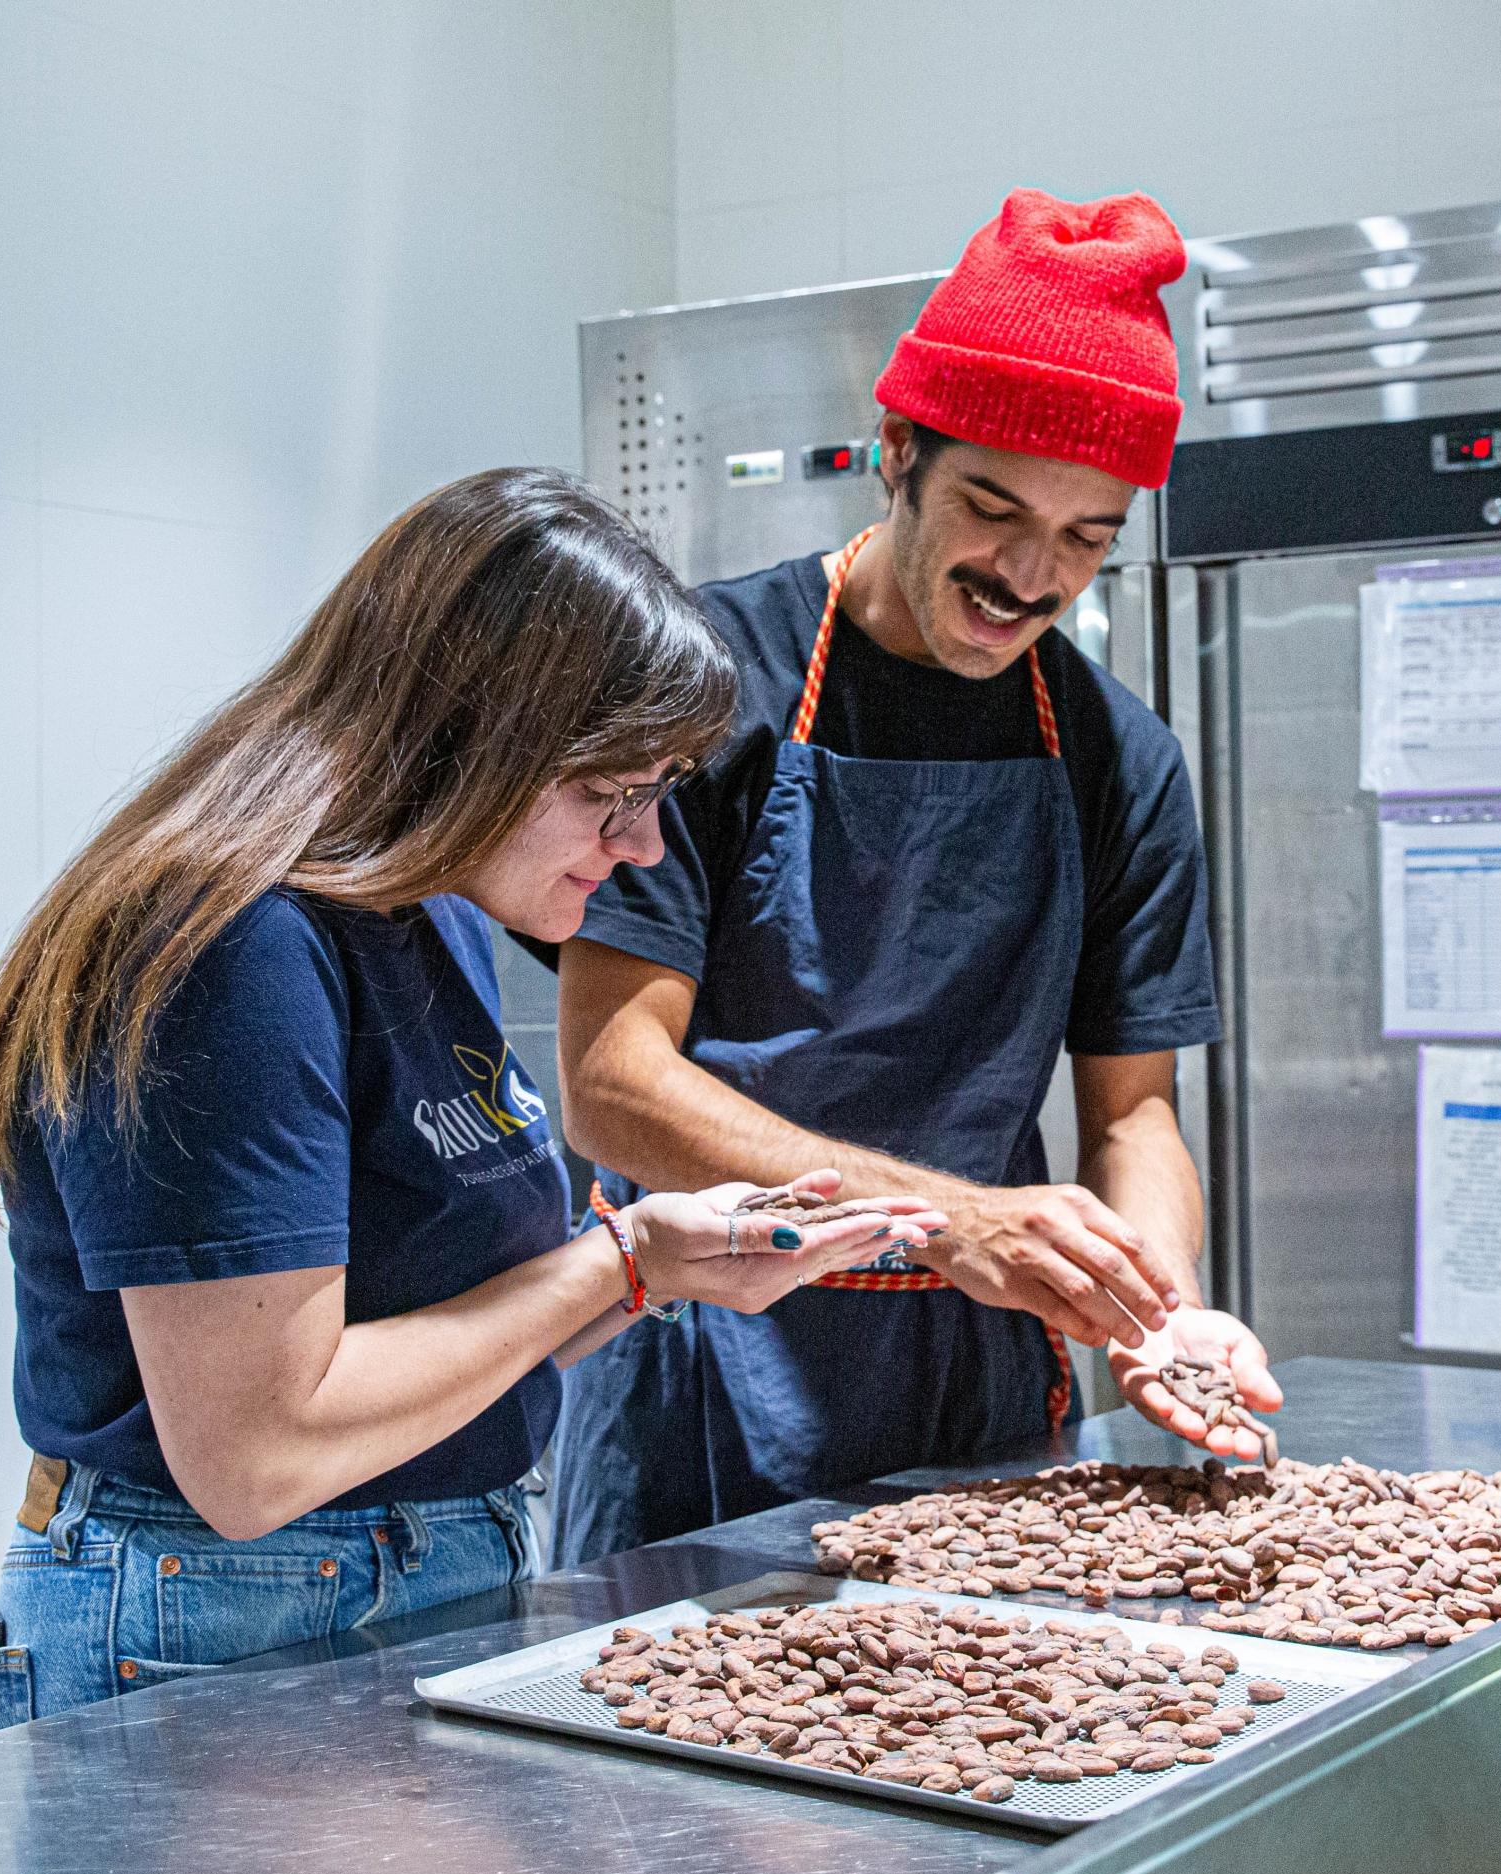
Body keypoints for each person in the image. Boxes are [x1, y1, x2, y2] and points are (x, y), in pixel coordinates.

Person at [0, 468, 943, 1732]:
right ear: (471, 736)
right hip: (222, 1603)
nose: (642, 847)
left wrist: (662, 1268)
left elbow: (443, 1316)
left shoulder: (433, 908)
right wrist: (617, 1263)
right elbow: (258, 1452)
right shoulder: (227, 943)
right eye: (608, 796)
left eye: (656, 798)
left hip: (406, 1574)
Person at [542, 188, 1280, 1564]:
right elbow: (610, 1082)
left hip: (977, 1378)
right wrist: (950, 1220)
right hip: (710, 1353)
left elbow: (1134, 1117)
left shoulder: (1118, 757)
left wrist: (1153, 1298)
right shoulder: (706, 686)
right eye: (994, 510)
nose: (1028, 574)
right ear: (897, 454)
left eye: (1084, 537)